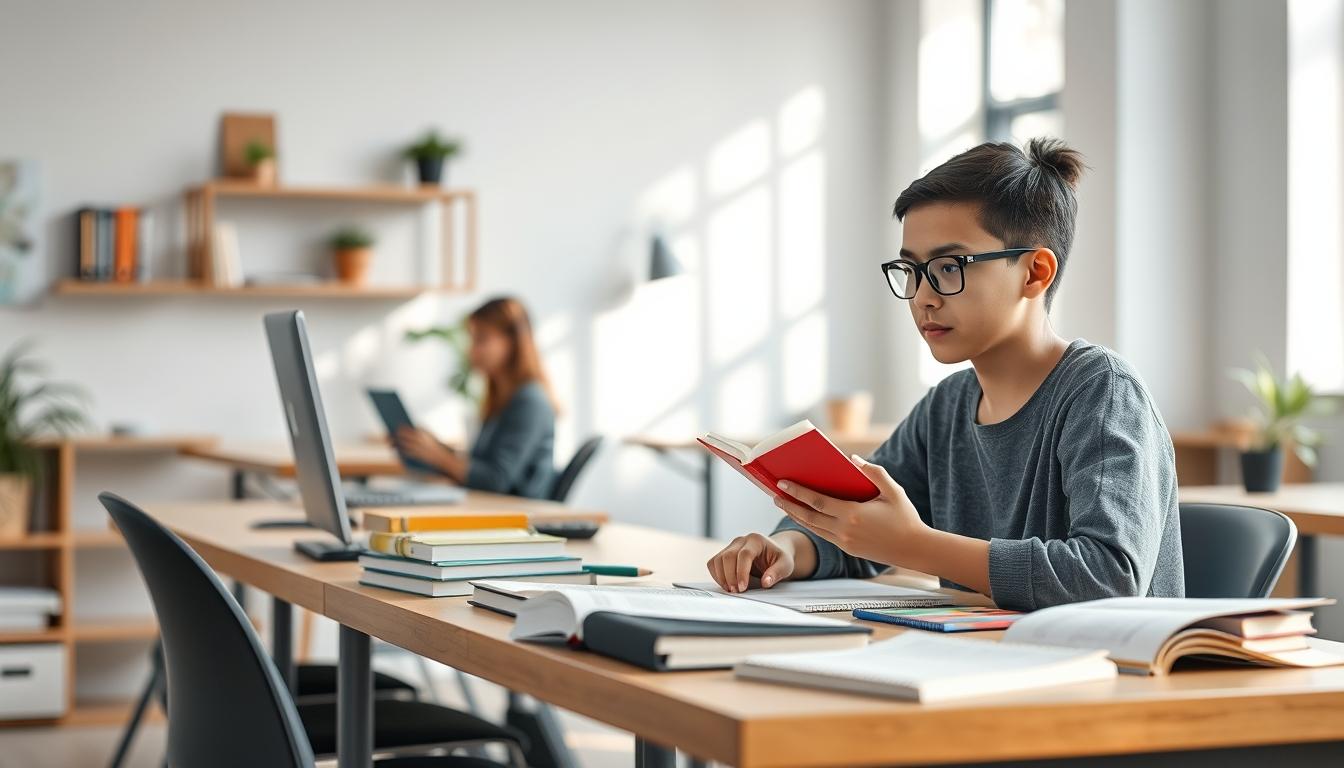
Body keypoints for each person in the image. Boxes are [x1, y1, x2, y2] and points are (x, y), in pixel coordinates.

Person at [705, 138, 1184, 611]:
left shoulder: (1102, 392)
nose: (923, 297)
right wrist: (787, 551)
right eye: (911, 270)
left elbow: (1108, 577)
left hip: (1108, 660)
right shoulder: (946, 407)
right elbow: (863, 523)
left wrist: (914, 545)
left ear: (1035, 272)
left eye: (949, 267)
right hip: (985, 654)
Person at [396, 296, 560, 499]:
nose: (471, 350)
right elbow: (481, 465)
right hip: (492, 506)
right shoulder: (501, 399)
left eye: (481, 339)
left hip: (517, 512)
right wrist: (433, 447)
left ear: (512, 342)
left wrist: (439, 457)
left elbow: (496, 480)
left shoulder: (530, 402)